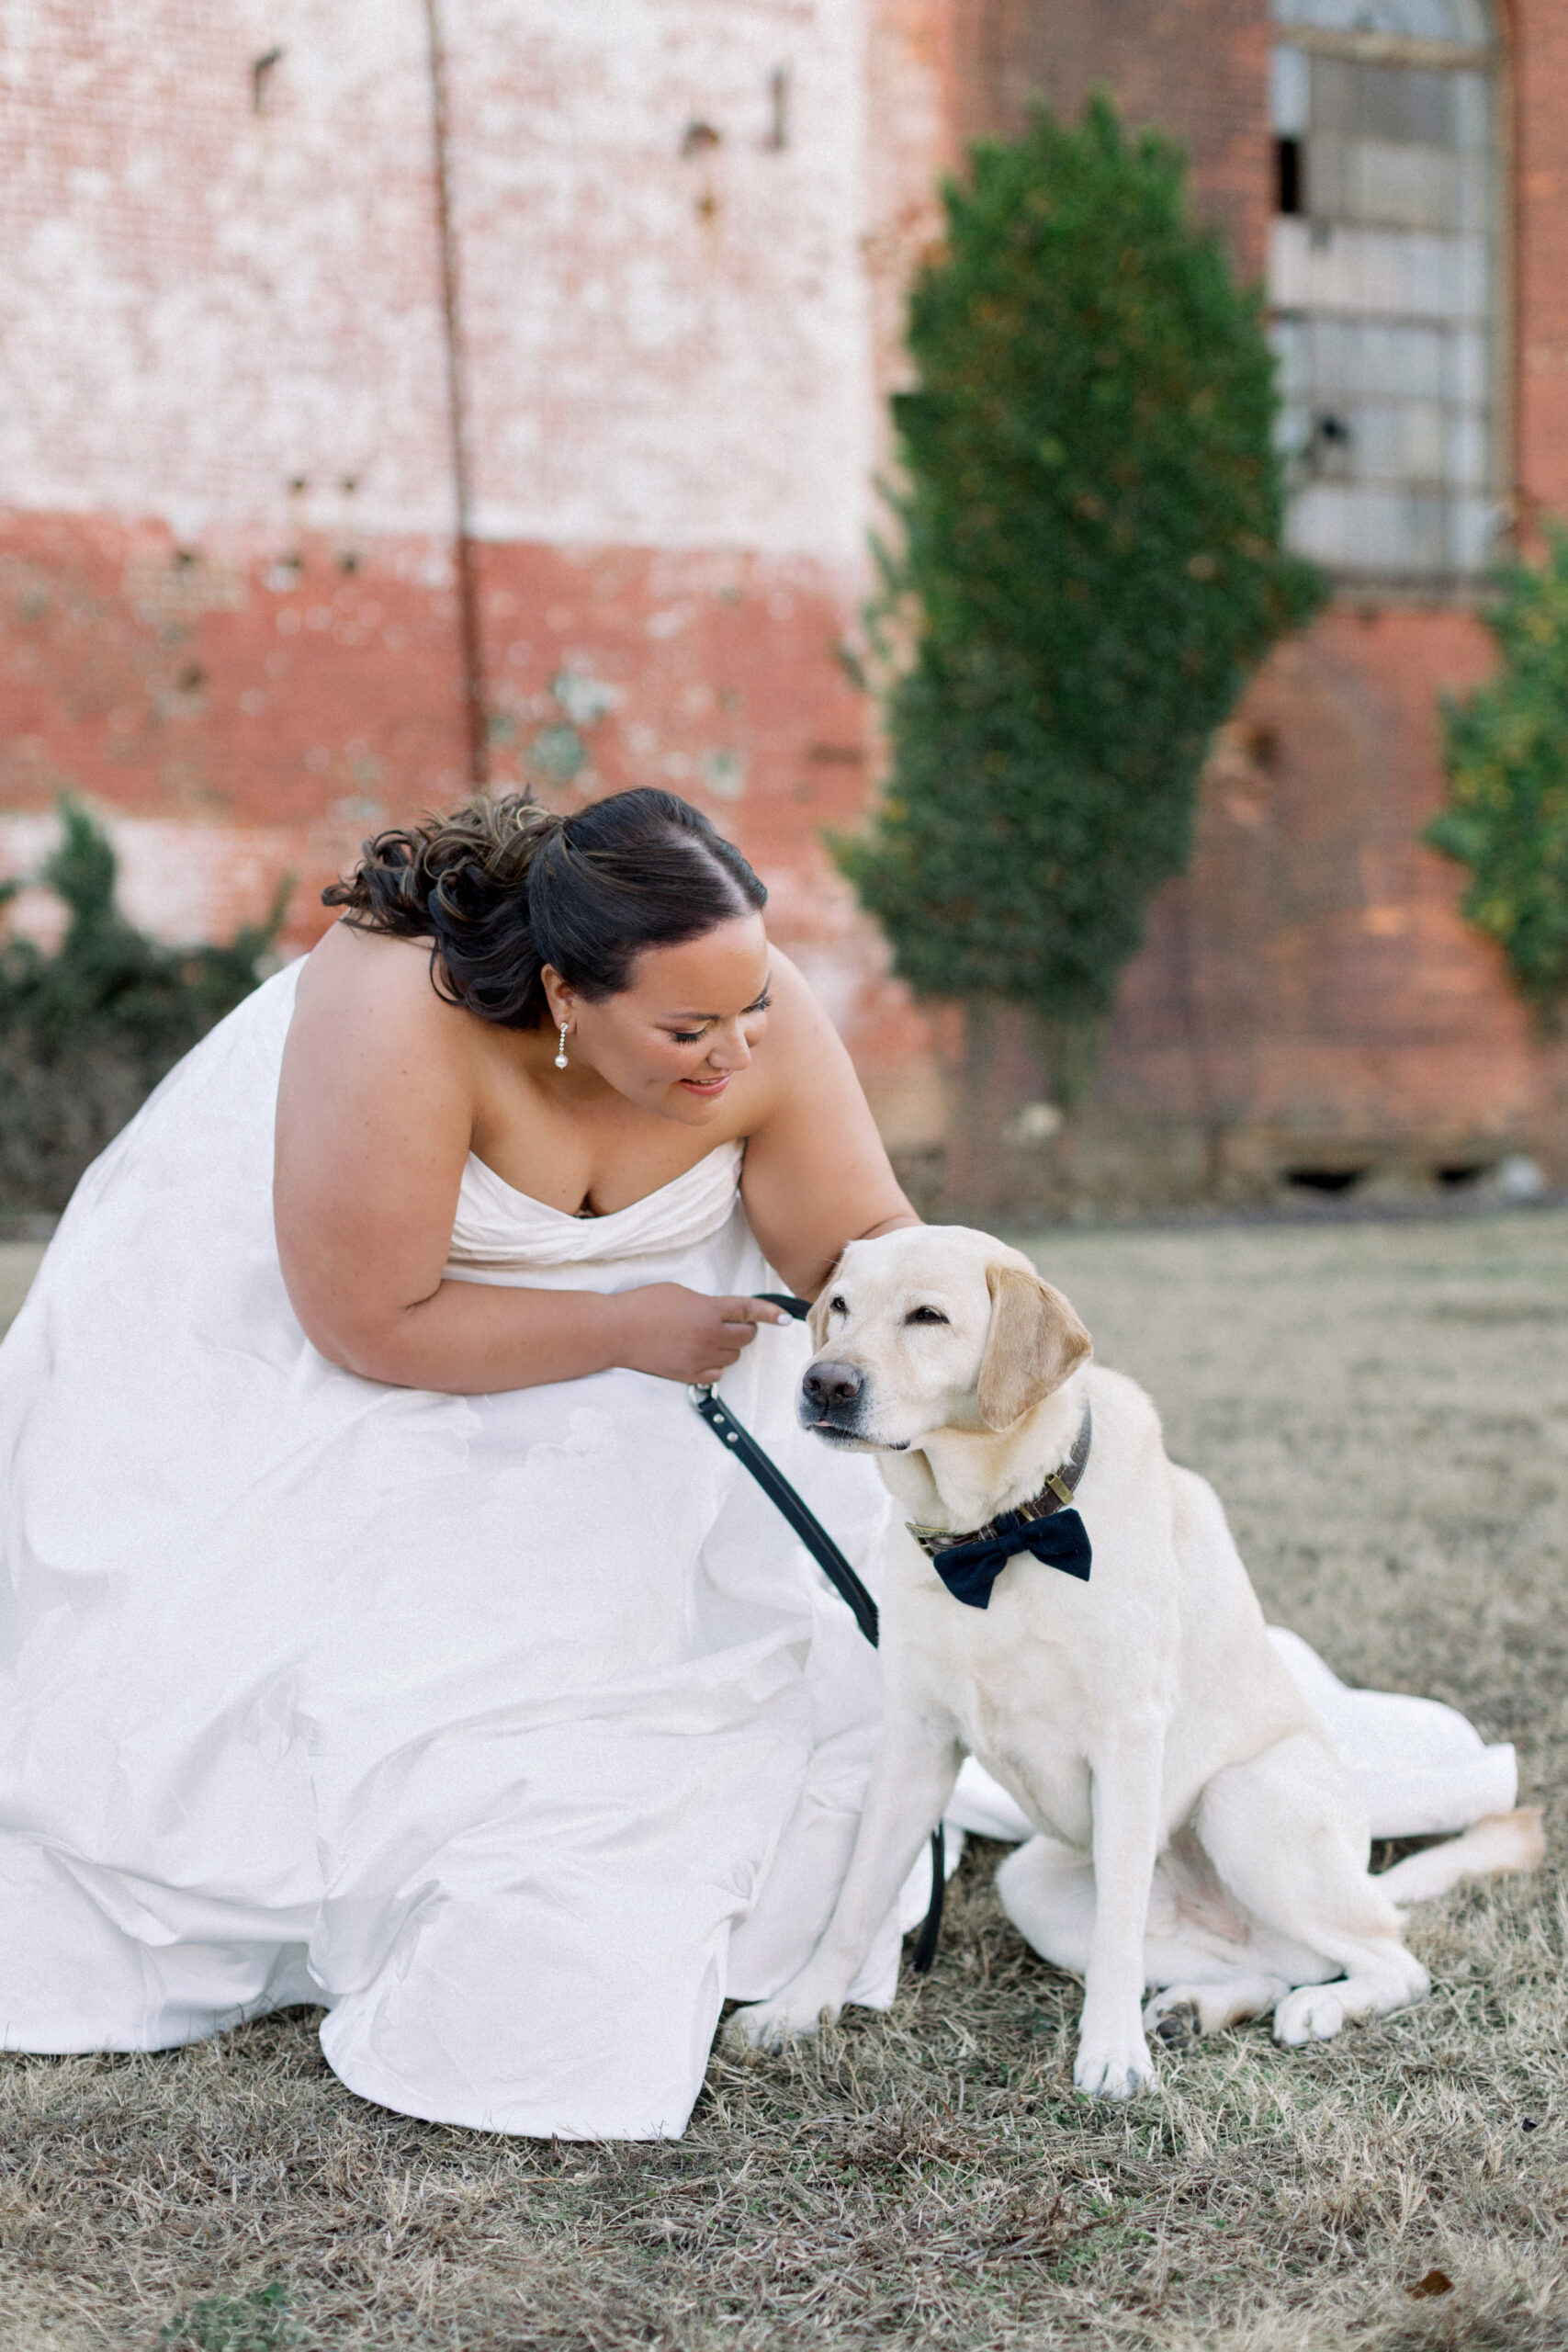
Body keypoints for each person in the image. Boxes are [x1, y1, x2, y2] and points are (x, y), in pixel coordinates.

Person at [0, 789, 922, 2139]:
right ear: (561, 991)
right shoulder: (392, 1003)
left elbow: (856, 1247)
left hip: (651, 1407)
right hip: (344, 1373)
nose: (734, 1053)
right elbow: (370, 1320)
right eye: (685, 1033)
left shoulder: (738, 1000)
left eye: (754, 1013)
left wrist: (968, 1331)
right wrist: (621, 1328)